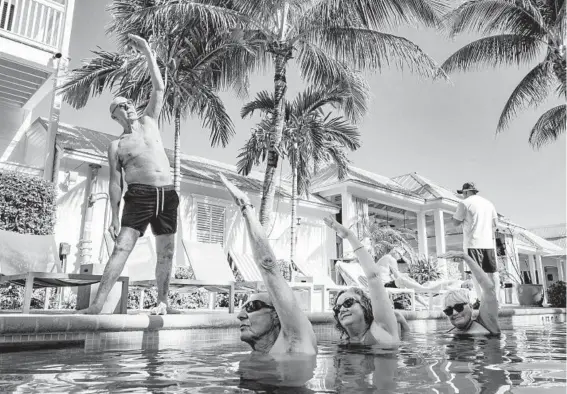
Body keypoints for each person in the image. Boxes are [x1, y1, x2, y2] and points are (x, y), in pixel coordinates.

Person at [77, 34, 177, 315]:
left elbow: (159, 89)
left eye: (129, 102)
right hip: (140, 196)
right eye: (121, 105)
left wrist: (147, 51)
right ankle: (98, 305)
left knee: (167, 252)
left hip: (167, 194)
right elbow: (115, 182)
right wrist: (112, 214)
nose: (128, 105)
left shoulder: (149, 122)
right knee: (121, 249)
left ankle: (163, 303)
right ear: (114, 115)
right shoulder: (117, 145)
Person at [219, 174, 317, 355]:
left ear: (276, 315)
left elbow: (268, 265)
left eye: (252, 307)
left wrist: (245, 207)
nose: (240, 316)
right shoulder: (259, 356)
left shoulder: (296, 344)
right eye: (243, 308)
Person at [324, 216, 405, 346]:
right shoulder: (343, 345)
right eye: (337, 308)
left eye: (348, 303)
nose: (341, 310)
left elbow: (374, 277)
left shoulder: (381, 332)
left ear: (366, 307)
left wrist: (349, 236)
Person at [452, 182, 500, 304]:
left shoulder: (464, 203)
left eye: (463, 193)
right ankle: (496, 301)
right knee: (492, 274)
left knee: (476, 274)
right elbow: (495, 224)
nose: (462, 195)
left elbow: (456, 222)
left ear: (467, 192)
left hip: (473, 243)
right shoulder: (489, 203)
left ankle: (481, 301)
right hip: (488, 244)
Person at [438, 250, 500, 336]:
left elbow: (489, 289)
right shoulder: (450, 333)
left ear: (470, 306)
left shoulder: (486, 323)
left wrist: (465, 257)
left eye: (459, 307)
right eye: (448, 311)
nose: (454, 313)